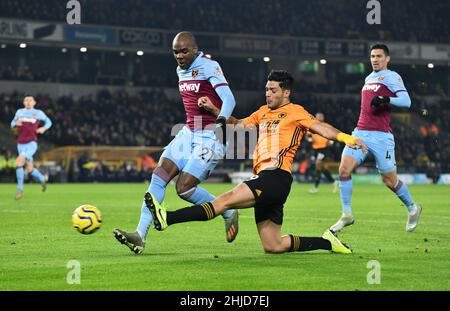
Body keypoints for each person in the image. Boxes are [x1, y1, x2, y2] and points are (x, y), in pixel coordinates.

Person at [144, 70, 367, 254]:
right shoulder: (262, 112)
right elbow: (238, 125)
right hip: (267, 179)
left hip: (275, 176)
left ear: (286, 92)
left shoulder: (295, 112)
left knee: (225, 201)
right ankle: (327, 241)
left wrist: (346, 138)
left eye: (273, 90)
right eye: (266, 90)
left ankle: (167, 218)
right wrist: (214, 109)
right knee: (273, 245)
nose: (267, 94)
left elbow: (323, 129)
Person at [114, 31, 239, 254]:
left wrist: (221, 121)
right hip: (189, 132)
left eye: (183, 51)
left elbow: (230, 99)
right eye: (175, 52)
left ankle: (227, 210)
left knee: (183, 188)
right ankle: (140, 235)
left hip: (212, 134)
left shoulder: (209, 66)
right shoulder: (180, 70)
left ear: (194, 49)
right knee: (159, 175)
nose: (179, 56)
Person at [330, 44, 422, 234]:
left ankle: (413, 208)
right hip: (360, 133)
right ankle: (346, 214)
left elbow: (407, 102)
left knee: (389, 181)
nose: (374, 59)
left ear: (387, 58)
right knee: (344, 170)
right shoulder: (369, 78)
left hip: (382, 137)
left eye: (379, 56)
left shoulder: (392, 77)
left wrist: (385, 99)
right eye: (372, 56)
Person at [10, 95, 52, 200]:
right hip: (20, 144)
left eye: (30, 100)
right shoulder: (19, 112)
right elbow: (11, 124)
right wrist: (15, 123)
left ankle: (19, 190)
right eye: (26, 100)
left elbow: (49, 122)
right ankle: (42, 179)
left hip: (31, 143)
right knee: (30, 169)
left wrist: (43, 128)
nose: (28, 102)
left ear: (34, 103)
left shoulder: (38, 113)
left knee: (19, 162)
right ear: (24, 103)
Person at [307, 112, 339, 194]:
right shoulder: (313, 126)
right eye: (317, 116)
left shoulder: (327, 126)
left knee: (318, 163)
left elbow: (333, 134)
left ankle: (315, 187)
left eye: (320, 116)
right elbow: (308, 135)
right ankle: (333, 182)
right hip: (315, 149)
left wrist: (331, 142)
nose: (318, 118)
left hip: (324, 149)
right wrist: (309, 139)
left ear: (323, 117)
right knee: (321, 167)